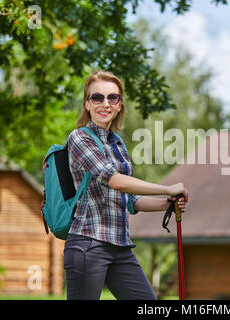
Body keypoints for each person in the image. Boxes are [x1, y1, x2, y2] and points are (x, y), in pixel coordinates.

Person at [64, 70, 188, 300]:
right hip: (88, 245)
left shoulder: (118, 143)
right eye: (97, 97)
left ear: (120, 105)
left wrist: (168, 203)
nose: (105, 103)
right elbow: (115, 181)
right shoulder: (80, 138)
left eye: (113, 98)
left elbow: (129, 201)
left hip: (120, 247)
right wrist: (166, 188)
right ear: (87, 104)